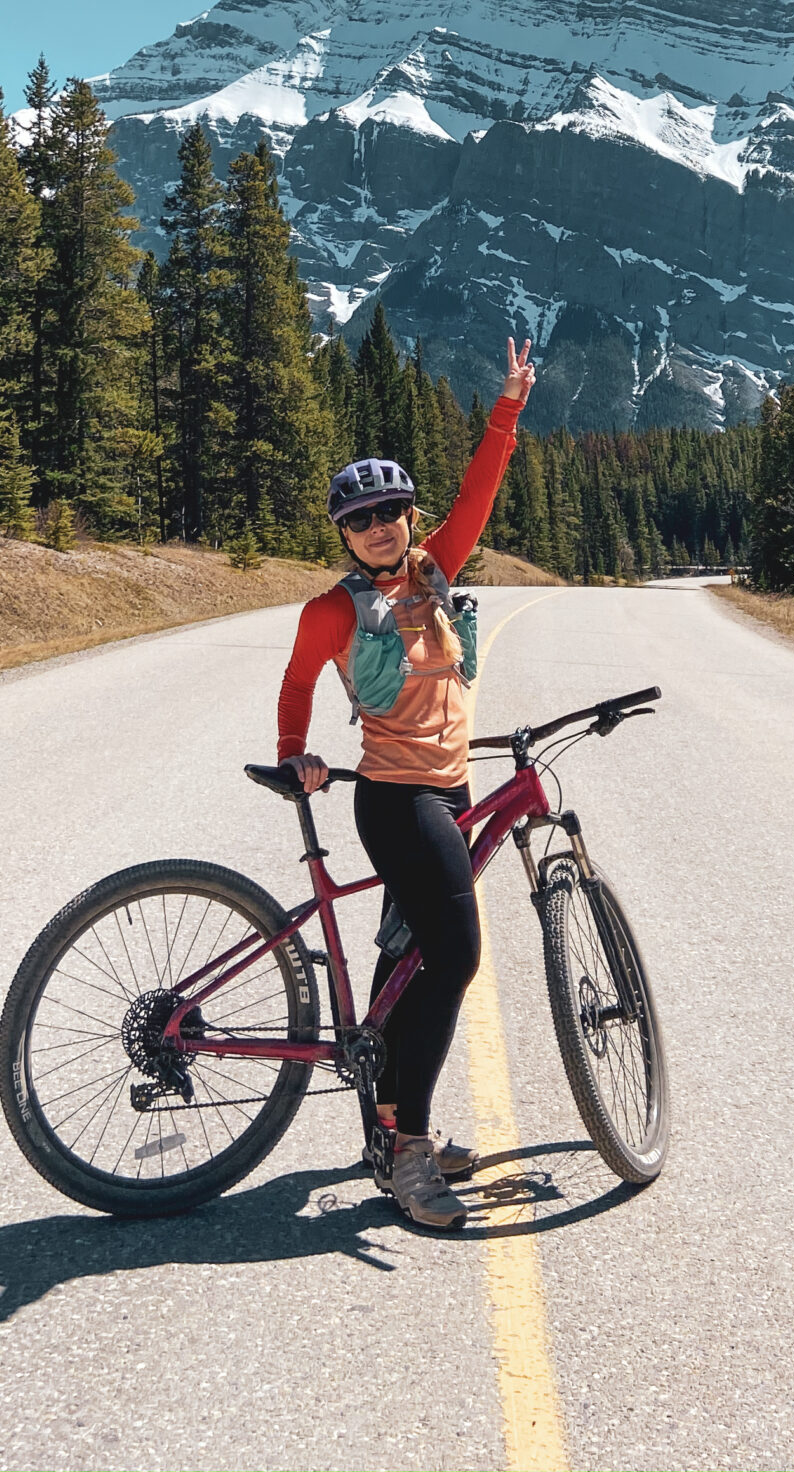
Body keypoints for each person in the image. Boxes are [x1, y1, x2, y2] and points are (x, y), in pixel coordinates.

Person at [277, 333, 537, 1229]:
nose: (380, 526)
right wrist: (295, 753)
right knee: (456, 956)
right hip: (396, 800)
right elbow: (298, 684)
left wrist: (507, 406)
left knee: (406, 961)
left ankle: (385, 1130)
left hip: (451, 789)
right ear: (344, 534)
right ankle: (409, 1147)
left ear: (410, 517)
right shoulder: (332, 610)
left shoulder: (436, 569)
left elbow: (479, 494)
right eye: (362, 519)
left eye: (392, 511)